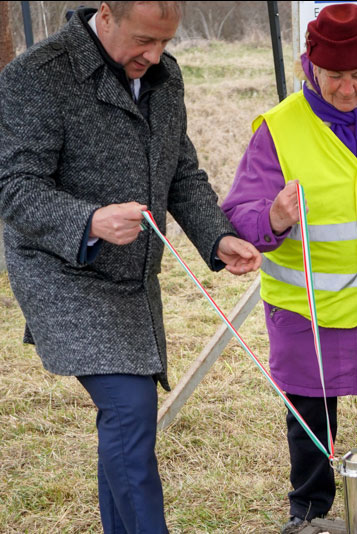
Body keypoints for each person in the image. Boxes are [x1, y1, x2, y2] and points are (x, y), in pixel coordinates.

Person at [0, 2, 262, 533]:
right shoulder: (38, 75)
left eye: (166, 42)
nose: (156, 55)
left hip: (134, 280)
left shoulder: (165, 76)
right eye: (145, 40)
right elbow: (14, 188)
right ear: (107, 14)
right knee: (129, 408)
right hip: (64, 271)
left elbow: (180, 171)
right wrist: (89, 220)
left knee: (125, 424)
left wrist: (218, 236)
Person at [221, 4, 357, 534]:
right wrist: (274, 217)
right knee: (310, 418)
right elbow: (238, 211)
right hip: (309, 311)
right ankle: (309, 509)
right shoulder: (278, 129)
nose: (348, 88)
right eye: (335, 76)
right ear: (311, 69)